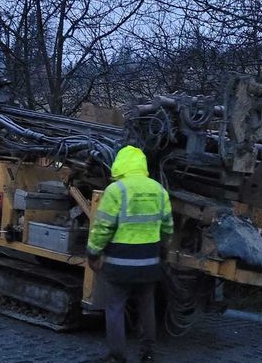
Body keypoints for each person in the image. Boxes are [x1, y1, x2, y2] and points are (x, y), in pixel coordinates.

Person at [87, 145, 173, 363]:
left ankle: (117, 356)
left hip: (119, 263)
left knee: (115, 307)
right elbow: (167, 227)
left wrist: (93, 253)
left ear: (120, 164)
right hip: (149, 261)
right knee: (146, 304)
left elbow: (103, 227)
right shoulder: (158, 190)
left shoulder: (116, 190)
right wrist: (163, 250)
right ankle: (147, 352)